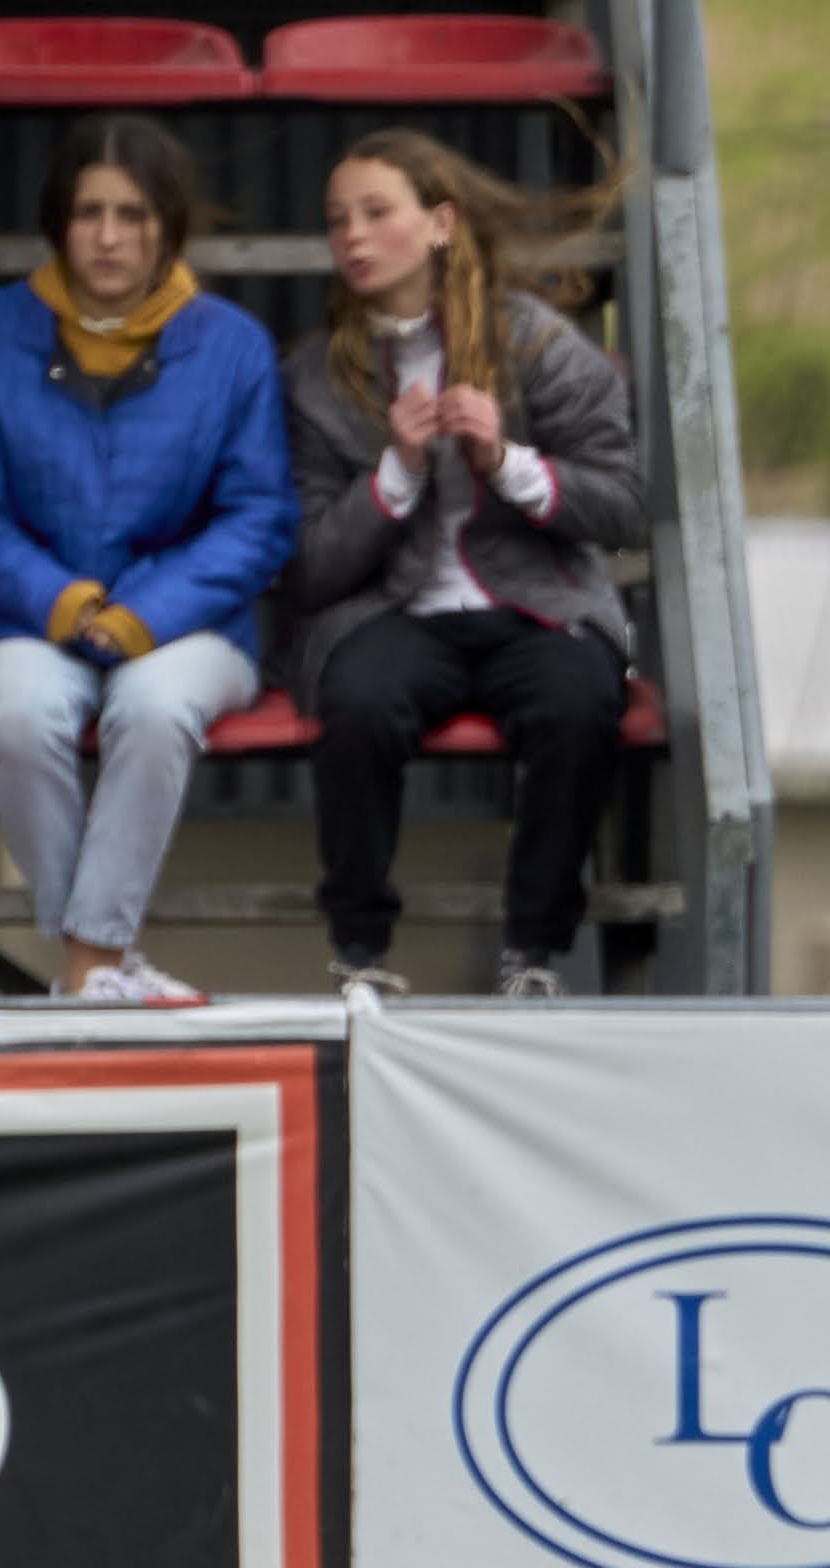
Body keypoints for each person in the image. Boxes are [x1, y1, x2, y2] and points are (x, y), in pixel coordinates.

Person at [0, 114, 294, 1002]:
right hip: (32, 615)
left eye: (132, 214)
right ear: (59, 222)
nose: (108, 236)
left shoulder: (232, 344)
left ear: (167, 225)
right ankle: (105, 968)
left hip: (190, 623)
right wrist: (64, 604)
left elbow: (260, 517)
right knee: (14, 717)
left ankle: (86, 964)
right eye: (88, 212)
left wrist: (146, 613)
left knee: (156, 708)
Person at [285, 129, 641, 998]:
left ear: (440, 223)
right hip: (391, 612)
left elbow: (622, 503)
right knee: (359, 703)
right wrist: (396, 474)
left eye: (377, 213)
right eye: (338, 221)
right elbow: (309, 567)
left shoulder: (537, 346)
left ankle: (533, 957)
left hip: (536, 602)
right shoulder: (314, 378)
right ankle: (360, 955)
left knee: (579, 702)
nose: (354, 237)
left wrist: (507, 462)